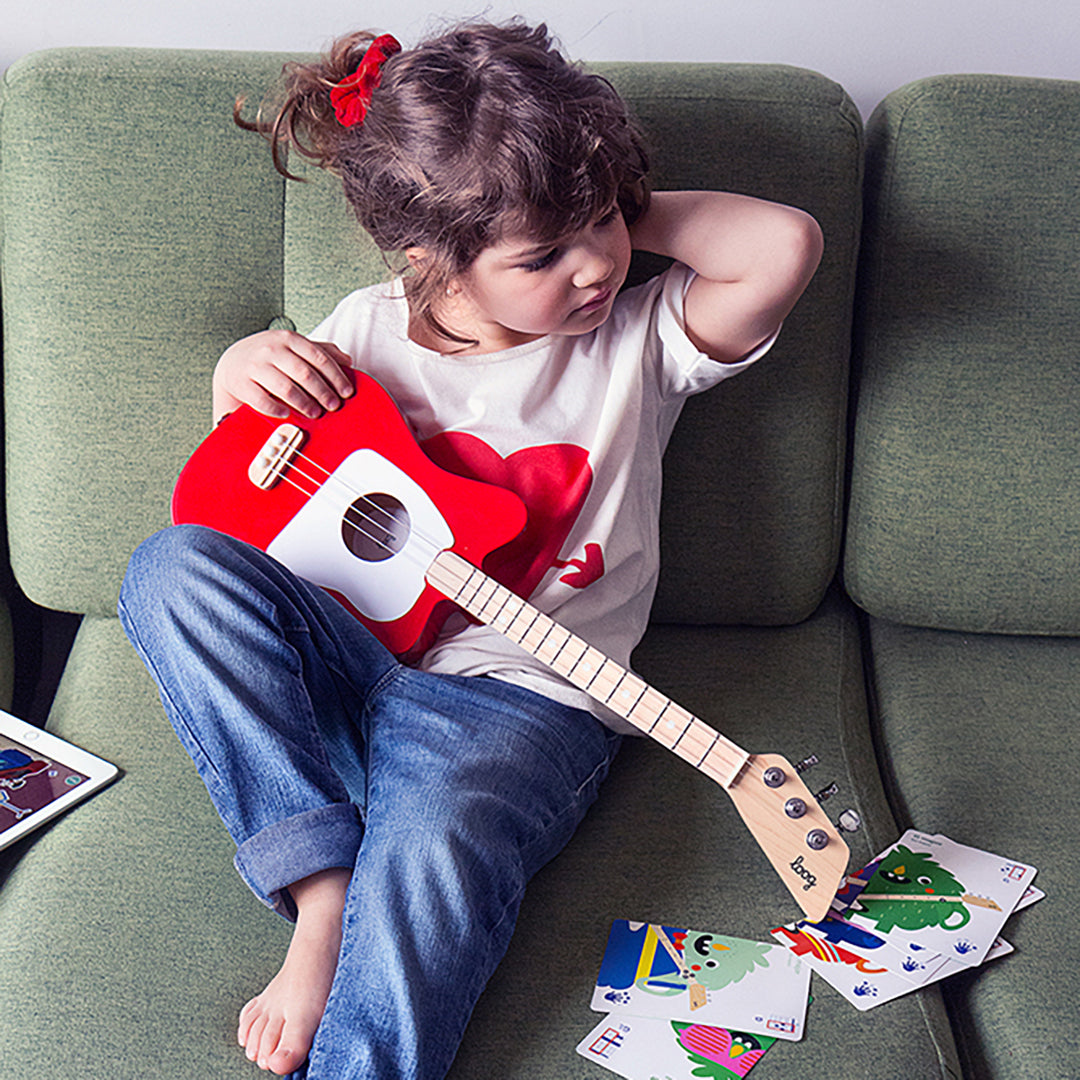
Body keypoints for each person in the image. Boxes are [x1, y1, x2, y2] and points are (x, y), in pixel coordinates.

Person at [118, 18, 823, 1080]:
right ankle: (322, 891)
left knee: (439, 844)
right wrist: (238, 378)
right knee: (166, 570)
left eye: (605, 225)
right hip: (348, 668)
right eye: (543, 254)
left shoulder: (636, 338)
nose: (594, 265)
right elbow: (246, 512)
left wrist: (589, 195)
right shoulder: (359, 332)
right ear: (429, 254)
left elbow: (784, 247)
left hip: (517, 699)